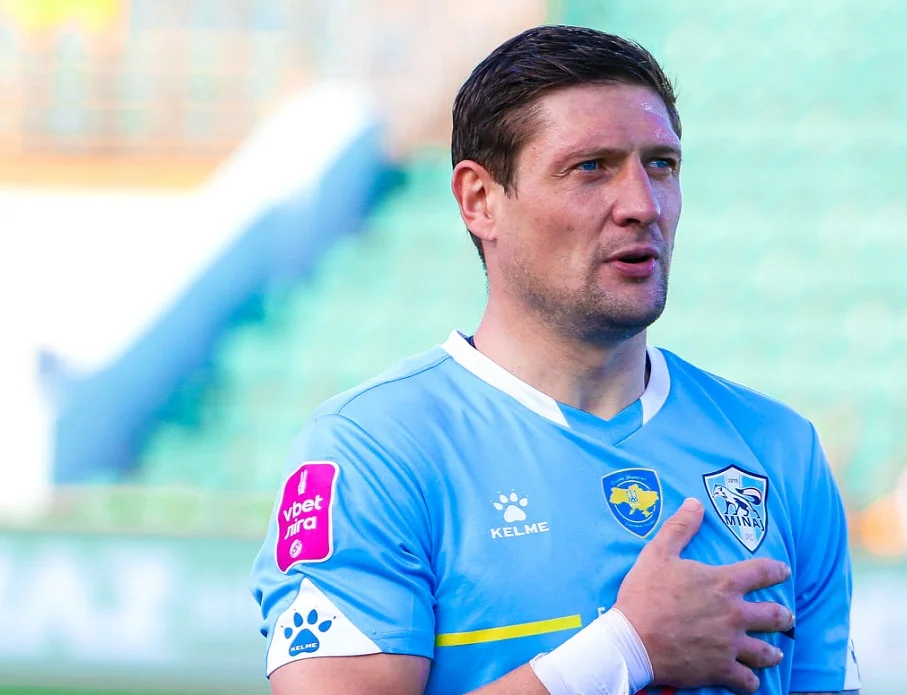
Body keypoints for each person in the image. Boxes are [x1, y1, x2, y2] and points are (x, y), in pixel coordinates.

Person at [250, 24, 861, 695]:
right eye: (591, 167)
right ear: (480, 200)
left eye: (661, 164)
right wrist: (627, 649)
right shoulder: (374, 449)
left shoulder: (779, 448)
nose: (643, 205)